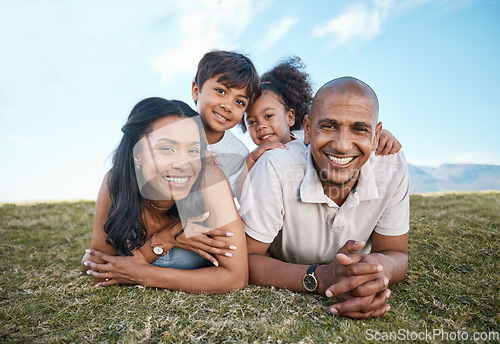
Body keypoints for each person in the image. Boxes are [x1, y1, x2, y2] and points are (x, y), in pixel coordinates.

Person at [239, 76, 409, 318]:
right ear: (307, 129)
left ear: (376, 135)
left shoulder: (391, 165)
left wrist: (379, 271)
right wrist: (323, 277)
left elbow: (396, 254)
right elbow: (246, 259)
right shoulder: (275, 165)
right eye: (328, 126)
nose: (341, 145)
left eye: (359, 129)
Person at [82, 98, 248, 294]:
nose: (183, 163)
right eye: (167, 149)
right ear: (138, 154)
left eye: (193, 150)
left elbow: (236, 277)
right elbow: (98, 269)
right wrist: (165, 240)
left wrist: (143, 274)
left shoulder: (210, 182)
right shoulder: (116, 183)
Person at [237, 57, 401, 197]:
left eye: (268, 116)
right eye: (251, 122)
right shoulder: (256, 158)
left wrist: (381, 136)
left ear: (290, 117)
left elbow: (351, 125)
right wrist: (251, 161)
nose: (260, 126)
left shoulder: (308, 139)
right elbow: (241, 195)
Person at [191, 50, 261, 196]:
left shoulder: (238, 154)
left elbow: (226, 203)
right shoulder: (173, 128)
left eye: (239, 102)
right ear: (196, 90)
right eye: (221, 91)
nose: (228, 106)